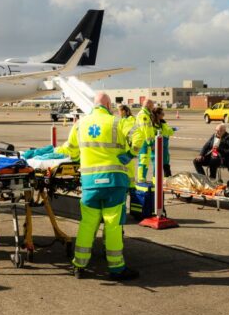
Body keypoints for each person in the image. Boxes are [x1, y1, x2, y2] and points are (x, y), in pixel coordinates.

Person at [59, 92, 143, 280]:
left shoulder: (80, 124)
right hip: (114, 182)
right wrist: (130, 154)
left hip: (90, 183)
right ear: (107, 104)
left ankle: (79, 265)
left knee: (88, 223)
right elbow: (139, 136)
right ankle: (116, 268)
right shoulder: (117, 122)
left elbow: (70, 151)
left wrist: (54, 153)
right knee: (113, 225)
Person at [135, 99, 156, 183]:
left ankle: (143, 178)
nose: (152, 108)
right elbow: (146, 130)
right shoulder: (143, 115)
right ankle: (141, 179)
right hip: (144, 142)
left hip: (145, 142)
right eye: (152, 106)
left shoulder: (146, 114)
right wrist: (151, 143)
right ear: (148, 106)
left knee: (145, 161)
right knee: (143, 160)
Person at [152, 107, 175, 179]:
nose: (163, 115)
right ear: (157, 114)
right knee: (156, 164)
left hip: (164, 146)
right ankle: (155, 181)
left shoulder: (163, 122)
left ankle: (167, 180)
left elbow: (169, 132)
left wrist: (171, 129)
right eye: (162, 113)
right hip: (156, 146)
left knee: (166, 163)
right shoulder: (152, 124)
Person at [117, 105, 136, 187]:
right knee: (129, 169)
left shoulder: (129, 120)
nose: (118, 113)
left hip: (127, 147)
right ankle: (130, 186)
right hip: (127, 147)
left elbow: (126, 133)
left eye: (119, 111)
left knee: (128, 168)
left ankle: (130, 187)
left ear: (124, 111)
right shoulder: (126, 120)